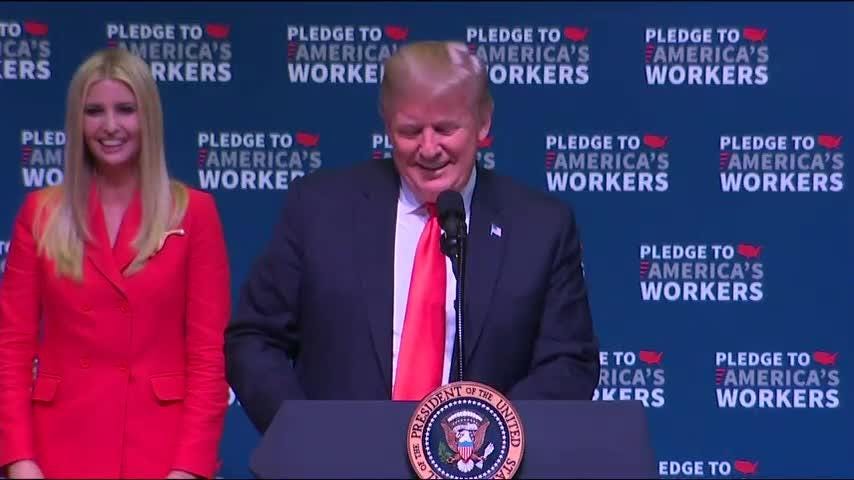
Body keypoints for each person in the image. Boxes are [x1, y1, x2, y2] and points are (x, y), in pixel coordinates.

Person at [225, 41, 599, 434]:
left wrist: (491, 440)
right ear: (386, 123)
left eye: (445, 129)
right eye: (410, 130)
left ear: (483, 122)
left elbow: (569, 363)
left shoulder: (540, 227)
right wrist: (306, 435)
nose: (429, 148)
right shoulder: (319, 209)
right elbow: (253, 339)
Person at [0, 48, 230, 479]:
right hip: (57, 451)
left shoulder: (194, 213)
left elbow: (207, 358)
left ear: (149, 119)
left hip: (159, 454)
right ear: (77, 121)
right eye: (94, 111)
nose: (109, 126)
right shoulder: (40, 213)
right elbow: (10, 349)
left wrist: (189, 468)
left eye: (125, 110)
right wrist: (19, 459)